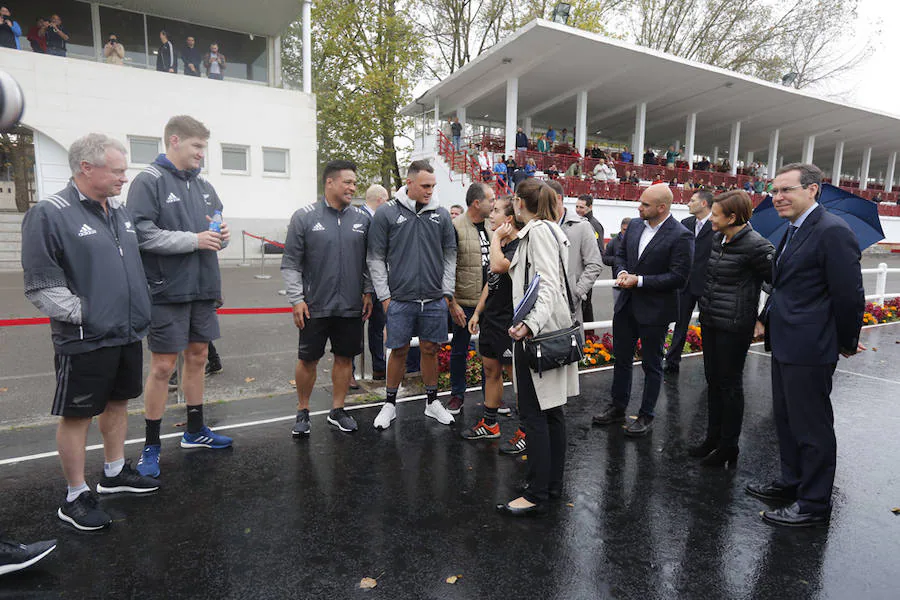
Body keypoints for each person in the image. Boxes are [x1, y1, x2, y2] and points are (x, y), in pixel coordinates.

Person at [21, 134, 160, 531]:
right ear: (86, 167)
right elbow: (42, 287)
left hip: (126, 331)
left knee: (118, 403)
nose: (125, 177)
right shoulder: (50, 213)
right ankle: (75, 495)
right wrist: (90, 315)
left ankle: (114, 472)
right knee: (77, 415)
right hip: (85, 336)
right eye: (117, 170)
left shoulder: (120, 211)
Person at [748, 163, 865, 527]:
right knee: (786, 420)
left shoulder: (832, 231)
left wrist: (846, 341)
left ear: (812, 190)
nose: (777, 197)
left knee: (812, 426)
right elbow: (784, 285)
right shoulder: (792, 230)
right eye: (774, 191)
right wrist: (765, 319)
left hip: (811, 346)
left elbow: (849, 295)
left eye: (786, 190)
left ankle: (814, 503)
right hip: (786, 340)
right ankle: (792, 482)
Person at [128, 115, 233, 478]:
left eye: (204, 147)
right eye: (197, 147)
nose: (202, 154)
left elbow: (215, 227)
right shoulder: (149, 181)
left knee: (199, 357)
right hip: (166, 290)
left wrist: (222, 235)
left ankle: (194, 431)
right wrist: (194, 240)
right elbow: (140, 234)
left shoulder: (204, 186)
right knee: (161, 367)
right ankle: (151, 445)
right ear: (174, 141)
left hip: (202, 287)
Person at [497, 179, 578, 517]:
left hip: (537, 336)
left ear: (519, 202)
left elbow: (546, 286)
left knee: (535, 415)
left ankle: (536, 492)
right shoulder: (547, 230)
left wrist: (529, 325)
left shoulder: (539, 232)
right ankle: (550, 486)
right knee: (551, 413)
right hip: (550, 333)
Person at [592, 184, 693, 437]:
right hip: (626, 306)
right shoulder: (635, 226)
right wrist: (624, 273)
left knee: (652, 364)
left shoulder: (680, 235)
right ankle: (618, 407)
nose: (639, 207)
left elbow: (679, 277)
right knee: (622, 360)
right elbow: (621, 255)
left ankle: (646, 415)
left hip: (655, 311)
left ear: (662, 207)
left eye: (645, 205)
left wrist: (640, 281)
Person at [282, 160, 373, 436]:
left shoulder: (362, 219)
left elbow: (369, 261)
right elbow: (290, 263)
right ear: (329, 183)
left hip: (350, 305)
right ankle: (303, 410)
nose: (353, 187)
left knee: (345, 358)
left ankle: (337, 410)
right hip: (314, 306)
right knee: (308, 360)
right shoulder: (304, 217)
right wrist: (297, 299)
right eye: (348, 182)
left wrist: (367, 291)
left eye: (355, 183)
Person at [367, 160, 458, 430]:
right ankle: (389, 404)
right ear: (409, 183)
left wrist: (446, 292)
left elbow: (450, 256)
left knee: (430, 350)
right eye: (425, 186)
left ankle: (432, 402)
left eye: (433, 186)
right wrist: (384, 296)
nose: (430, 190)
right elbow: (375, 257)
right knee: (398, 350)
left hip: (433, 299)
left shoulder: (441, 215)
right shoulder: (386, 213)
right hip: (400, 299)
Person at [690, 190, 774, 468]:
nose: (711, 218)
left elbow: (777, 284)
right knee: (713, 382)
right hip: (713, 320)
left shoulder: (757, 246)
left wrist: (762, 318)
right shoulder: (718, 238)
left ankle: (729, 446)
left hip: (735, 326)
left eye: (715, 214)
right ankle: (712, 439)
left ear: (733, 217)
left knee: (729, 385)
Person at [463, 195, 519, 440]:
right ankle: (490, 424)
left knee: (516, 377)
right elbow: (491, 281)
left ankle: (527, 429)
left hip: (510, 323)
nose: (490, 215)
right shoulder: (501, 245)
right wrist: (477, 312)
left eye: (496, 211)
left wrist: (495, 238)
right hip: (491, 320)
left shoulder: (517, 247)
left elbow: (498, 267)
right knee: (490, 371)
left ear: (509, 219)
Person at [446, 182, 494, 414]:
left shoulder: (492, 227)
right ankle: (457, 394)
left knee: (490, 352)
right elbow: (446, 268)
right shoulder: (454, 227)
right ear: (477, 203)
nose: (493, 204)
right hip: (463, 303)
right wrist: (452, 302)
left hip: (489, 303)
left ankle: (491, 397)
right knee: (459, 351)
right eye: (490, 200)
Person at [665, 190, 713, 373]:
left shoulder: (716, 225)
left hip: (707, 286)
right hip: (685, 285)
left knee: (708, 326)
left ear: (703, 204)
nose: (688, 203)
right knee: (680, 324)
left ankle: (710, 365)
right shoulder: (685, 224)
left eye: (692, 200)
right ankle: (672, 362)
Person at [547, 180, 603, 322]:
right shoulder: (539, 226)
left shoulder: (583, 226)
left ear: (557, 198)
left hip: (570, 308)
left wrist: (576, 291)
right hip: (544, 304)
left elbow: (595, 264)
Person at [575, 194, 605, 332]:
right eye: (576, 206)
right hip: (576, 273)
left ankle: (589, 340)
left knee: (585, 308)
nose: (578, 210)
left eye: (582, 207)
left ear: (590, 207)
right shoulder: (576, 221)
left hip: (585, 275)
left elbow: (598, 253)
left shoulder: (594, 225)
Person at [602, 218, 631, 304]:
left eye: (628, 230)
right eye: (624, 229)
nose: (626, 232)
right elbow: (605, 258)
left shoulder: (636, 242)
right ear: (621, 228)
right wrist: (617, 260)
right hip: (618, 284)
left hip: (633, 284)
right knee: (618, 310)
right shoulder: (613, 242)